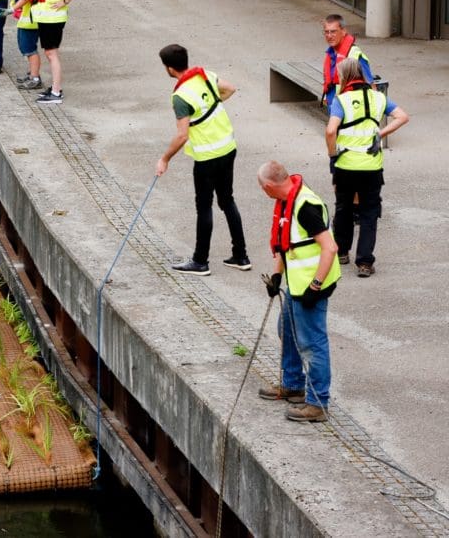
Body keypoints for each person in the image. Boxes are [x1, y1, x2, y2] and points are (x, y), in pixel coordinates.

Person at [155, 44, 250, 275]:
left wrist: (164, 159)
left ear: (169, 68)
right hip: (228, 147)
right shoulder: (205, 75)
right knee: (227, 201)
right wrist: (210, 107)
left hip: (207, 156)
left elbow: (182, 135)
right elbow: (230, 89)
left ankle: (200, 261)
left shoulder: (180, 96)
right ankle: (241, 256)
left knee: (204, 206)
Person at [257, 160, 340, 423]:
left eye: (262, 188)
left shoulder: (306, 207)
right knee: (287, 329)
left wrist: (316, 286)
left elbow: (330, 248)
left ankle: (318, 403)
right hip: (297, 282)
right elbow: (287, 244)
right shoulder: (286, 201)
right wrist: (277, 275)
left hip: (311, 286)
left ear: (269, 186)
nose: (263, 192)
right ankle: (293, 384)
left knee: (312, 344)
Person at [325, 58, 409, 277]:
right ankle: (364, 262)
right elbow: (403, 116)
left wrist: (333, 156)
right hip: (372, 167)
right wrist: (380, 133)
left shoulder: (341, 100)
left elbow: (330, 131)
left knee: (343, 207)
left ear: (345, 77)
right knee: (369, 213)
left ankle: (342, 252)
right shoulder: (379, 98)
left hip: (345, 166)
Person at [28, 0, 83, 104]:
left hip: (53, 18)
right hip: (46, 18)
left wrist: (65, 1)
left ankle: (56, 93)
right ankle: (55, 88)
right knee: (49, 53)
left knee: (52, 54)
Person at [321, 14, 373, 110]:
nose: (329, 36)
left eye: (333, 32)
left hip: (351, 109)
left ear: (343, 31)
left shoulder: (355, 55)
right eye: (326, 32)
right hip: (334, 107)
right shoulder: (330, 54)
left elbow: (370, 85)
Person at [9, 0, 42, 90]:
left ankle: (35, 78)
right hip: (24, 18)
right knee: (24, 47)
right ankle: (31, 74)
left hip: (30, 19)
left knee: (29, 48)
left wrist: (12, 9)